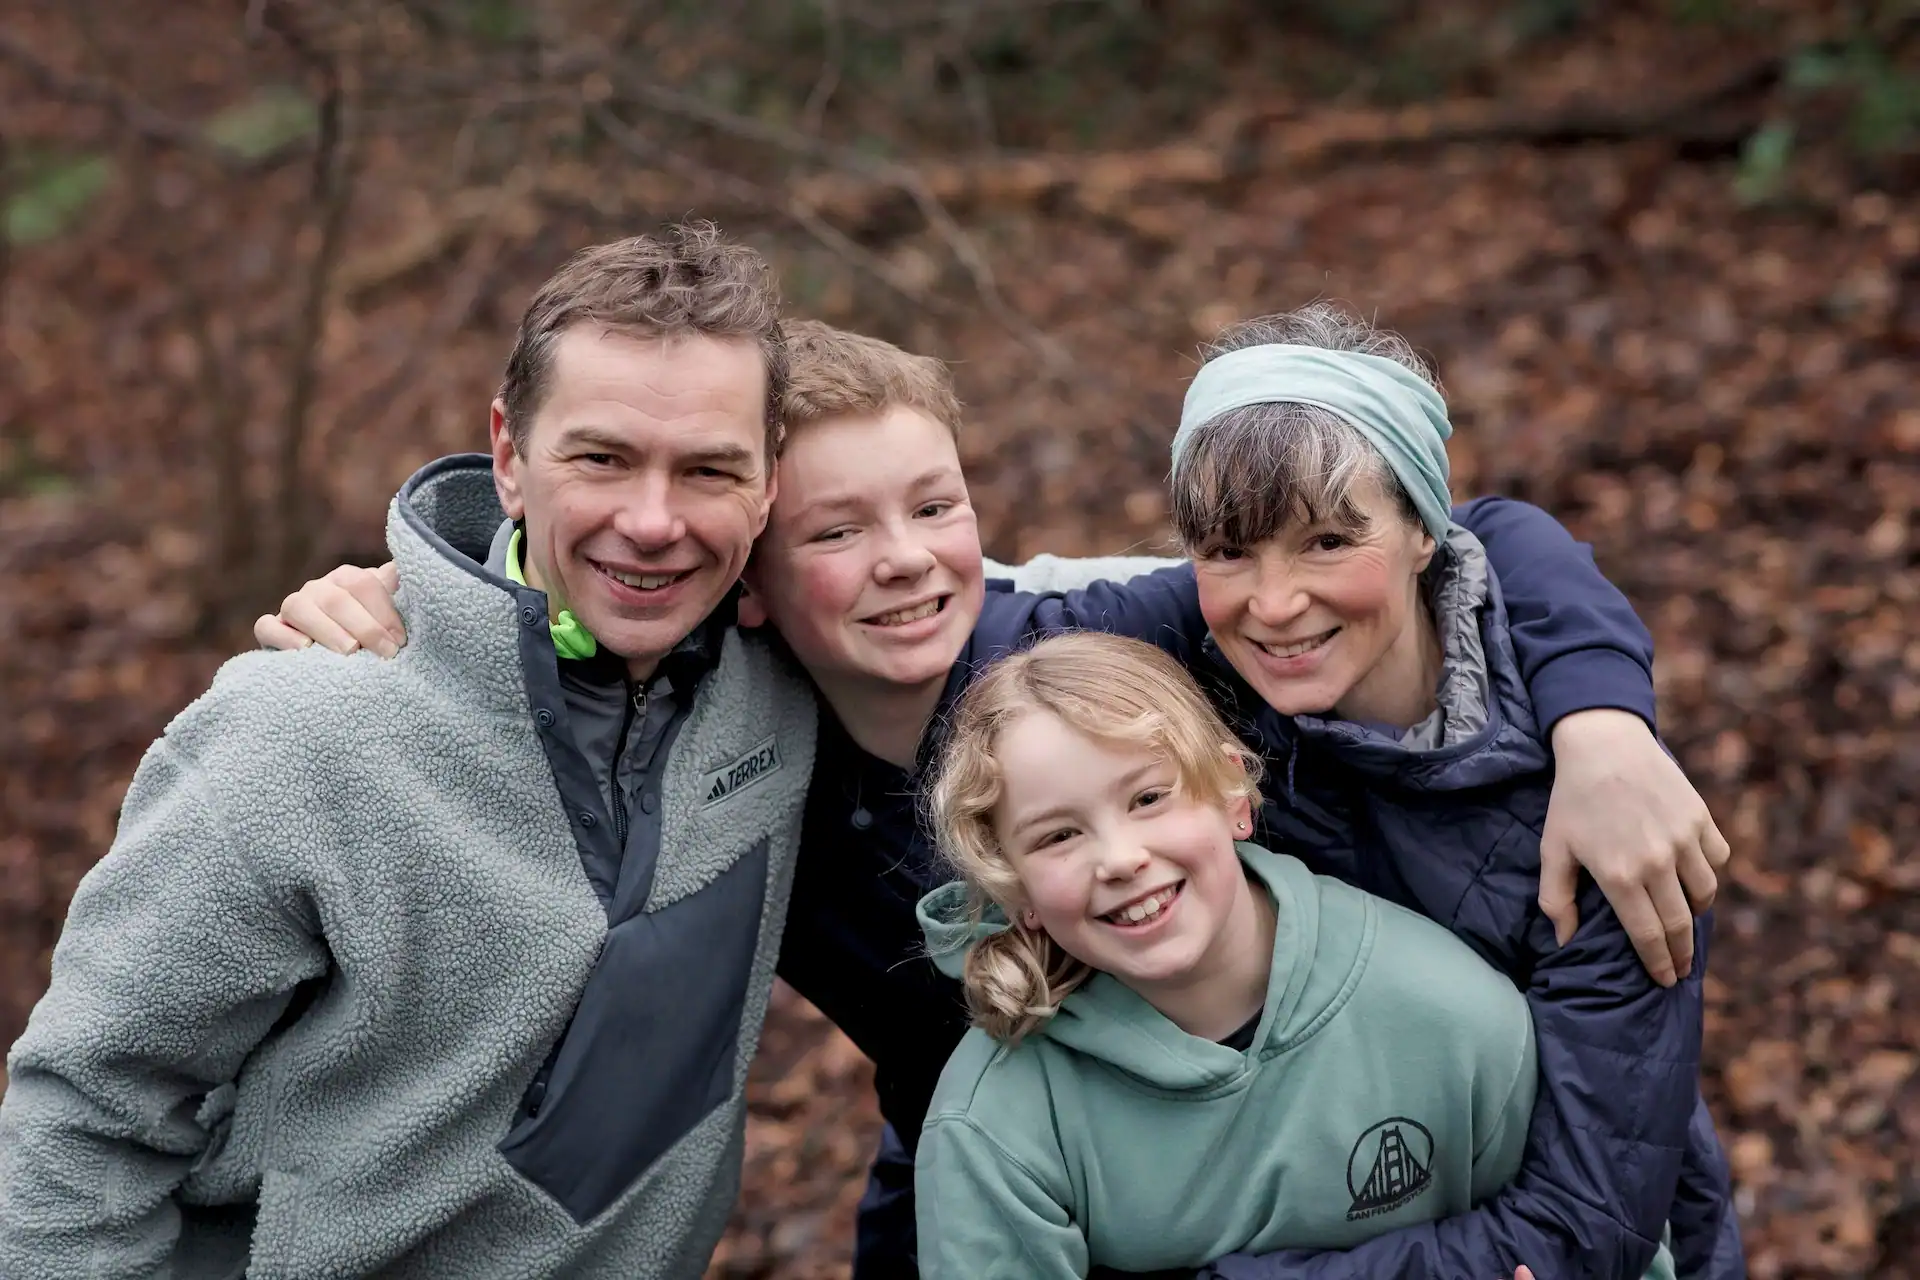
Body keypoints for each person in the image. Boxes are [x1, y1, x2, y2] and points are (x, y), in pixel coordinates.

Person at [266, 316, 1734, 1278]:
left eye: (935, 506)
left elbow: (1477, 531)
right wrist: (402, 611)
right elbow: (572, 637)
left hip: (1479, 1174)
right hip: (1043, 1175)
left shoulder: (1107, 658)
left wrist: (1606, 721)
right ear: (756, 584)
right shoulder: (722, 748)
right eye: (837, 530)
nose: (905, 560)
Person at [0, 225, 822, 1277]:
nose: (653, 520)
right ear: (510, 456)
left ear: (767, 484)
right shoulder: (301, 734)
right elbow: (83, 1119)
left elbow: (975, 590)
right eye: (601, 457)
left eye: (708, 468)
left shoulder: (791, 684)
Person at [910, 631, 1677, 1280]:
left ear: (1234, 794)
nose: (1120, 857)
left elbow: (1614, 1252)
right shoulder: (993, 1128)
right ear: (1019, 896)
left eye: (1148, 798)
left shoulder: (1451, 1016)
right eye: (1058, 836)